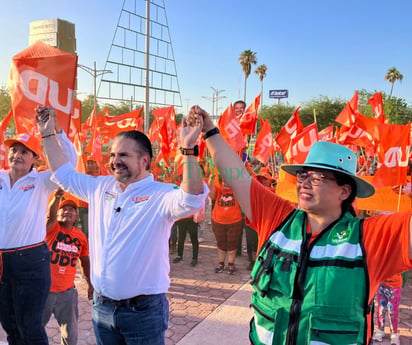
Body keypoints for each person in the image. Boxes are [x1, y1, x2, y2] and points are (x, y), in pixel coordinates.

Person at [194, 106, 412, 344]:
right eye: (303, 175)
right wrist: (209, 130)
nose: (305, 183)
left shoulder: (370, 236)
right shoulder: (278, 217)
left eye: (318, 177)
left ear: (344, 191)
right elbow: (236, 173)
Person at [37, 106, 208, 345]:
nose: (115, 161)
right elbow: (63, 174)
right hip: (102, 309)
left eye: (123, 155)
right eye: (113, 155)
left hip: (143, 314)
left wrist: (189, 148)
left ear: (145, 160)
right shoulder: (99, 187)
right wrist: (47, 134)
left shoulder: (161, 195)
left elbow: (192, 198)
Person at [0, 106, 76, 345]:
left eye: (25, 152)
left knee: (30, 326)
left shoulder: (42, 181)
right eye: (14, 150)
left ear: (36, 158)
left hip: (31, 262)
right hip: (1, 263)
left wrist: (53, 130)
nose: (18, 155)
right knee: (10, 325)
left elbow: (71, 161)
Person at [42, 188, 93, 345]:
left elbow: (84, 262)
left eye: (72, 209)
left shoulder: (81, 237)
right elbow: (50, 216)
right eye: (63, 209)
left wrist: (90, 284)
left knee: (70, 335)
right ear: (58, 213)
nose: (68, 211)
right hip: (43, 293)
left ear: (77, 216)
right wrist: (57, 197)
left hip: (68, 294)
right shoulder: (51, 228)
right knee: (33, 331)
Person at [208, 175, 243, 275]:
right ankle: (221, 263)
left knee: (232, 244)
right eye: (223, 181)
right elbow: (210, 193)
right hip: (218, 222)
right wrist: (211, 179)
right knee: (221, 243)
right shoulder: (218, 190)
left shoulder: (237, 191)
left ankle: (231, 264)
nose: (225, 184)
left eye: (228, 181)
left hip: (234, 222)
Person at [372, 273, 406, 345]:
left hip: (395, 287)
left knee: (393, 312)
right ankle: (380, 330)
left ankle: (394, 333)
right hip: (382, 285)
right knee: (381, 309)